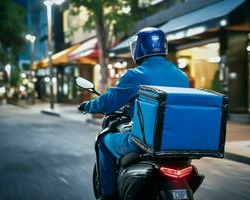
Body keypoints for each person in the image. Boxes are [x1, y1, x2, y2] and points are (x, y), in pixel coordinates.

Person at [78, 27, 189, 200]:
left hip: (147, 141)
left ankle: (108, 195)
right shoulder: (182, 76)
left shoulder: (136, 74)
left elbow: (110, 100)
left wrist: (88, 106)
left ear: (139, 48)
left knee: (103, 142)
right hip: (177, 141)